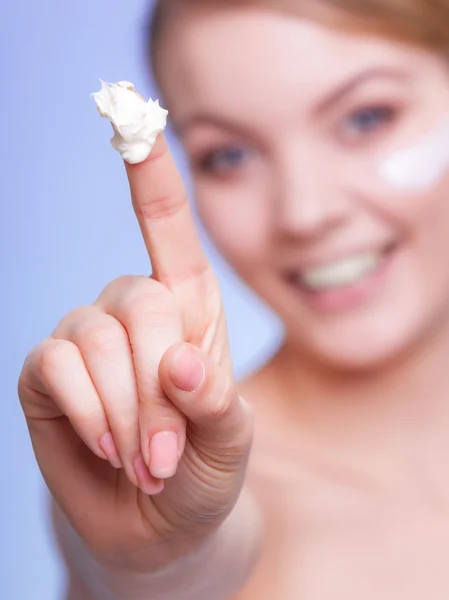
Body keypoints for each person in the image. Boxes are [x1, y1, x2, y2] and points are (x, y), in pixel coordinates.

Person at [18, 0, 449, 597]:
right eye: (229, 155)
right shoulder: (205, 485)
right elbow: (176, 570)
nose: (306, 213)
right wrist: (152, 561)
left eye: (367, 118)